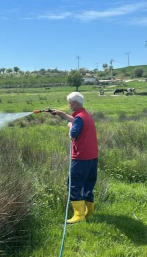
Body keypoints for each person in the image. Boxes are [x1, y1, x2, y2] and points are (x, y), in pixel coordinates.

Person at [51, 92, 98, 224]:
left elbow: (73, 135)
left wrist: (69, 126)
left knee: (74, 185)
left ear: (75, 103)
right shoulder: (85, 115)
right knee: (88, 184)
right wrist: (61, 114)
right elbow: (75, 120)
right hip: (92, 157)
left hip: (81, 157)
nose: (69, 105)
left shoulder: (79, 119)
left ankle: (79, 216)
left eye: (70, 103)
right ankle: (89, 213)